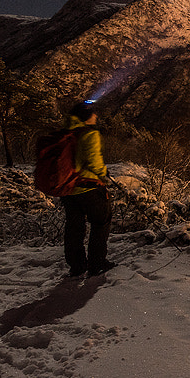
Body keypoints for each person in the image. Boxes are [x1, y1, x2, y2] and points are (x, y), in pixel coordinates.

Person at [61, 101, 114, 277]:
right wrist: (104, 173)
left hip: (68, 190)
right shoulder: (89, 134)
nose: (96, 116)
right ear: (86, 116)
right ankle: (97, 263)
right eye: (93, 113)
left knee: (74, 228)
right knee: (101, 221)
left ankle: (77, 266)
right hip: (88, 188)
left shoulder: (66, 133)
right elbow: (94, 162)